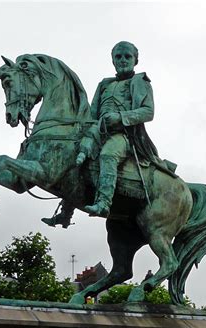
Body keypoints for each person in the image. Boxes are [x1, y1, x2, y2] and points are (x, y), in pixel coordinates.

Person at [42, 41, 160, 226]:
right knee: (74, 156)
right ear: (113, 60)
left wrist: (120, 117)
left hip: (124, 136)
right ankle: (66, 214)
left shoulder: (140, 82)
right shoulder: (104, 84)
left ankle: (103, 203)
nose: (122, 60)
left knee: (108, 154)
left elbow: (148, 112)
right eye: (118, 57)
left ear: (135, 60)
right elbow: (93, 114)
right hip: (99, 132)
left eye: (127, 56)